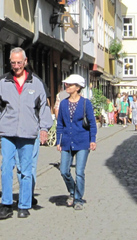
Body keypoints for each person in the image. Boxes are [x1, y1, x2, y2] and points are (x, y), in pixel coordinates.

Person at [0, 47, 52, 220]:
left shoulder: (36, 83)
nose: (16, 66)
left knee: (26, 170)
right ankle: (6, 204)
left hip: (28, 134)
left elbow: (44, 108)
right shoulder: (4, 82)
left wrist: (44, 128)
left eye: (19, 62)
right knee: (6, 168)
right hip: (8, 132)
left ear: (25, 62)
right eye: (13, 62)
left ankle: (24, 205)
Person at [56, 74, 97, 210]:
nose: (67, 86)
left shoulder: (86, 103)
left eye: (70, 84)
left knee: (79, 172)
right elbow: (60, 124)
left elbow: (92, 123)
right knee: (64, 171)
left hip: (82, 142)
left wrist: (93, 140)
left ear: (78, 87)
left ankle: (78, 199)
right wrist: (58, 141)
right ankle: (73, 191)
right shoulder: (63, 103)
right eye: (67, 84)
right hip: (67, 142)